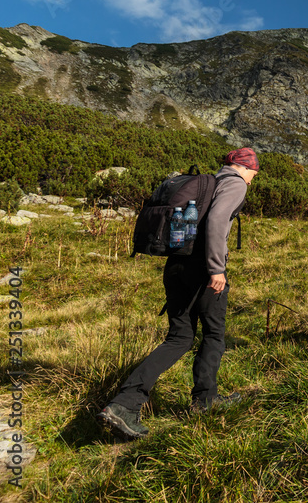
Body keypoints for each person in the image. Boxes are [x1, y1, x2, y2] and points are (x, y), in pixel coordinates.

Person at [98, 148, 259, 439]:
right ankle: (205, 401)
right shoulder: (234, 183)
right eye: (253, 175)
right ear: (246, 169)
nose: (252, 180)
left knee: (180, 337)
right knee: (213, 334)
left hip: (176, 265)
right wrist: (216, 269)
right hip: (203, 271)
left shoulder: (209, 182)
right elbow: (217, 222)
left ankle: (124, 404)